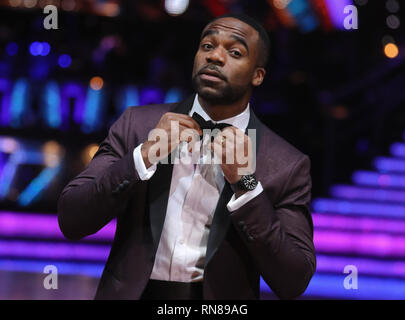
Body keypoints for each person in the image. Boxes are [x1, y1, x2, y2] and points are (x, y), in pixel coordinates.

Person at [57, 13, 316, 300]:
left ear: (258, 74)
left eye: (234, 52)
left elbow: (294, 280)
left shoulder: (284, 163)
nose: (215, 56)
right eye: (207, 46)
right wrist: (144, 156)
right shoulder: (138, 125)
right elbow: (72, 219)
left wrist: (246, 185)